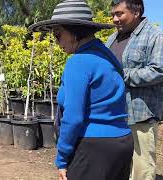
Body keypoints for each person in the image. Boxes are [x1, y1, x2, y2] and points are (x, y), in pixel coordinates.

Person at [29, 0, 134, 180]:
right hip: (122, 142)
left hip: (95, 148)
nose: (57, 42)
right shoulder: (106, 54)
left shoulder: (79, 61)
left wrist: (62, 158)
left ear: (74, 32)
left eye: (58, 35)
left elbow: (73, 117)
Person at [106, 0, 163, 179]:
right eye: (113, 14)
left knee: (141, 168)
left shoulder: (154, 36)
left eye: (120, 14)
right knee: (117, 164)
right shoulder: (112, 38)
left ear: (136, 12)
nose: (115, 19)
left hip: (140, 115)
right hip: (114, 114)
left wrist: (122, 75)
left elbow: (158, 70)